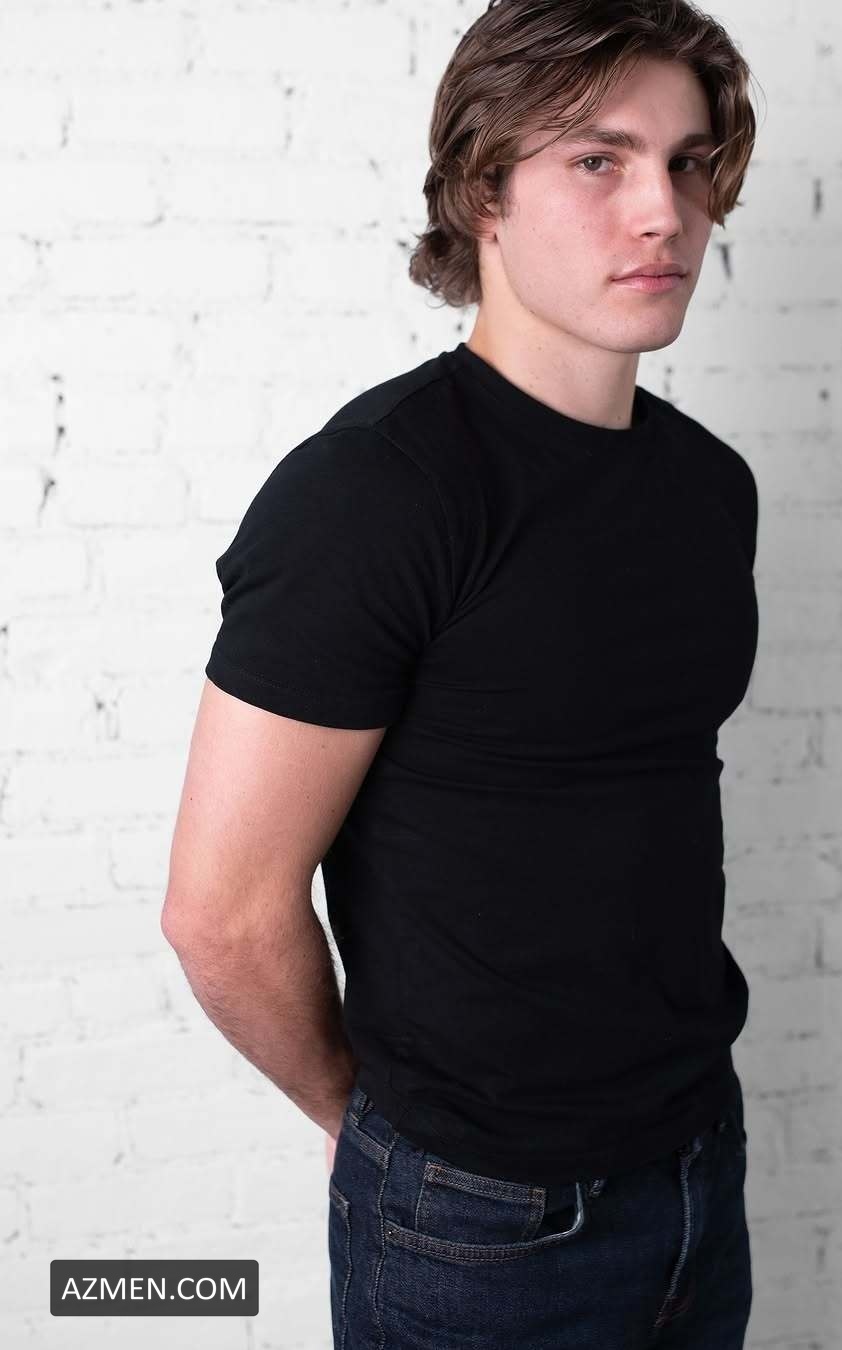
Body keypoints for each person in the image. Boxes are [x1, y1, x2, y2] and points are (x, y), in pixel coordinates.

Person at [162, 1, 760, 1345]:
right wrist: (367, 1126)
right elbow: (222, 914)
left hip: (698, 1167)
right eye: (598, 160)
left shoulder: (711, 490)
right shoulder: (373, 495)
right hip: (475, 1222)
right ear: (484, 190)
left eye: (685, 162)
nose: (663, 212)